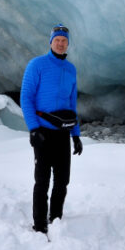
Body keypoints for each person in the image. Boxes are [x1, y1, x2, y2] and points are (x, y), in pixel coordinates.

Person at [20, 23, 83, 234]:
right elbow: (26, 97)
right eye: (57, 40)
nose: (60, 43)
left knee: (62, 180)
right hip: (43, 132)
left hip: (63, 132)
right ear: (50, 42)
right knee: (42, 180)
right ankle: (39, 224)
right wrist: (33, 129)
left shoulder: (70, 69)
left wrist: (76, 135)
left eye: (64, 41)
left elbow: (72, 104)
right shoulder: (37, 65)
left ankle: (56, 218)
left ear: (68, 44)